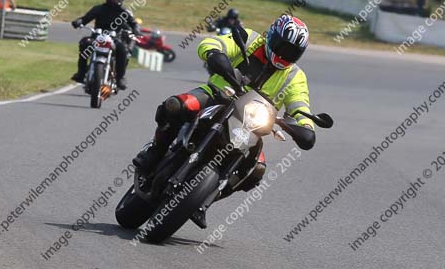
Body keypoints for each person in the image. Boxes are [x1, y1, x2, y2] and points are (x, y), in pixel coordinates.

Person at [133, 14, 315, 220]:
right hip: (217, 96)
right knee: (176, 106)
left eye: (292, 51)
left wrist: (306, 127)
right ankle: (155, 152)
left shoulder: (295, 76)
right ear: (272, 36)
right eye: (282, 46)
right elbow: (214, 42)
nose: (284, 54)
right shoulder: (249, 39)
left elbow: (300, 106)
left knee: (257, 169)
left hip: (251, 124)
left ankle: (205, 198)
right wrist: (214, 53)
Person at [71, 0, 140, 89]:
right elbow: (85, 19)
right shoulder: (98, 9)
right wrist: (78, 22)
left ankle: (120, 78)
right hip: (97, 37)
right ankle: (81, 72)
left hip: (115, 39)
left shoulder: (125, 12)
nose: (115, 1)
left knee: (123, 50)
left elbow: (134, 23)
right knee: (84, 43)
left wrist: (136, 29)